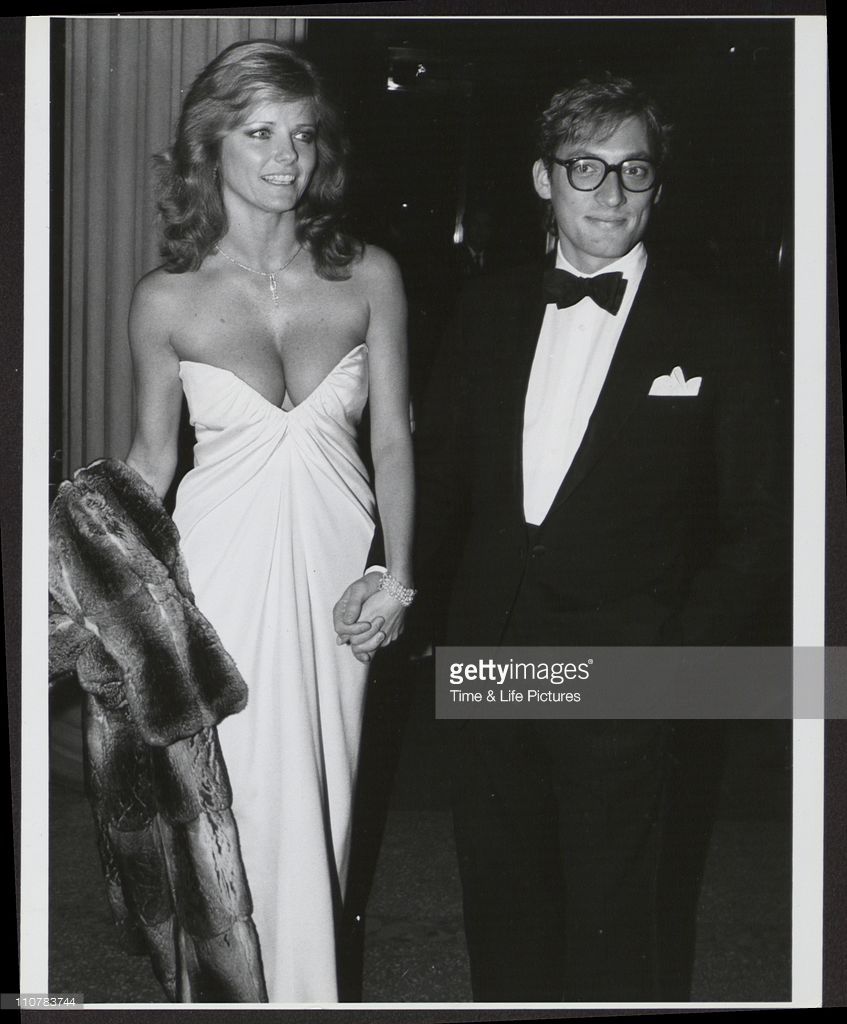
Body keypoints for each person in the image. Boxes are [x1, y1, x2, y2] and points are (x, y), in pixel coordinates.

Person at [336, 75, 786, 1000]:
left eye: (633, 170)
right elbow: (440, 476)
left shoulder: (720, 327)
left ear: (658, 184)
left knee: (623, 921)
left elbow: (757, 525)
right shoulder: (486, 310)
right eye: (586, 168)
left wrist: (681, 661)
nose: (611, 193)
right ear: (543, 179)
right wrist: (390, 574)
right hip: (491, 653)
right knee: (503, 907)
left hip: (634, 662)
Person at [125, 39, 414, 1002]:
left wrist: (397, 577)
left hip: (340, 589)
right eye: (259, 133)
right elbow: (152, 462)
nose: (287, 156)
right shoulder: (166, 299)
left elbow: (393, 443)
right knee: (228, 814)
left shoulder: (369, 276)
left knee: (321, 813)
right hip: (218, 588)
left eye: (302, 133)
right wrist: (103, 595)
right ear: (210, 146)